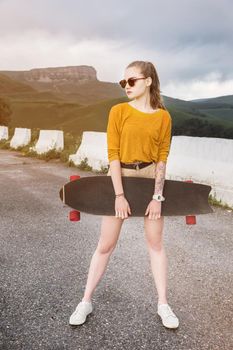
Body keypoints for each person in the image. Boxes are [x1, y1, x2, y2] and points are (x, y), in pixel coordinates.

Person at [69, 60, 179, 329]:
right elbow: (113, 156)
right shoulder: (118, 111)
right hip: (121, 178)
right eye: (123, 82)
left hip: (150, 178)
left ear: (148, 81)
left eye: (132, 81)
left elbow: (162, 157)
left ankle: (163, 304)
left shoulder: (163, 116)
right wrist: (119, 194)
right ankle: (86, 301)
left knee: (156, 244)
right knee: (106, 244)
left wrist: (157, 196)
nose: (126, 86)